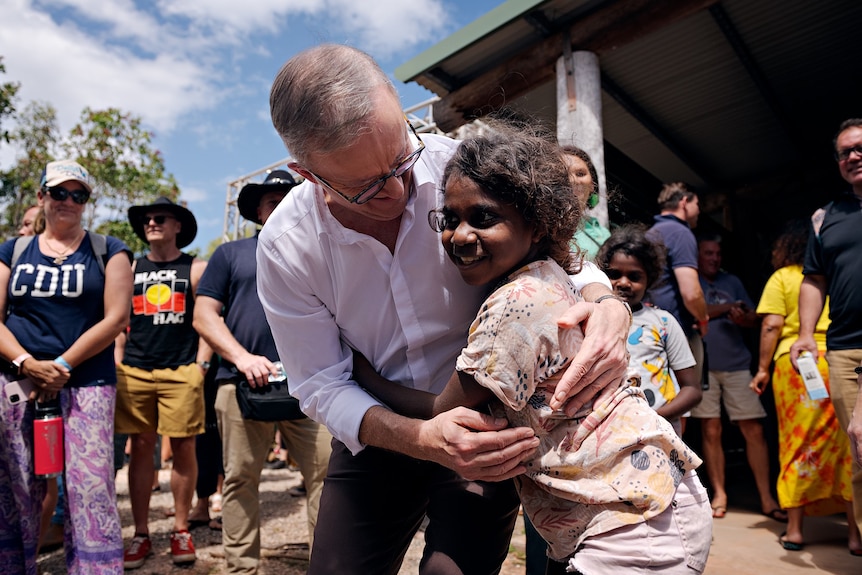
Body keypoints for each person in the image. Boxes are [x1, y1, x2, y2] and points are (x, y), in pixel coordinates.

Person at [258, 44, 633, 574]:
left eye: (400, 158)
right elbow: (319, 383)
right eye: (366, 186)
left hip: (488, 432)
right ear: (306, 173)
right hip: (376, 428)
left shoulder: (458, 166)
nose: (398, 189)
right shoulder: (285, 245)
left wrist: (605, 303)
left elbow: (550, 253)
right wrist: (417, 438)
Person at [354, 126, 711, 575]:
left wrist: (362, 375)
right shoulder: (551, 275)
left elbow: (444, 409)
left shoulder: (516, 303)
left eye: (483, 218)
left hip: (632, 525)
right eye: (450, 219)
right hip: (646, 503)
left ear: (539, 222)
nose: (460, 236)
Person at [193, 170, 332, 573]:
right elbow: (204, 315)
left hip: (316, 386)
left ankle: (328, 565)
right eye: (274, 202)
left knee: (330, 477)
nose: (285, 207)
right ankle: (242, 569)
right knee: (239, 480)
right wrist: (241, 358)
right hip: (241, 385)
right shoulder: (229, 254)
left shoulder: (324, 253)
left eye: (292, 198)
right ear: (257, 211)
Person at [0, 159, 133, 573]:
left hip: (87, 381)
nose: (68, 201)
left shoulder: (109, 250)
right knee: (16, 484)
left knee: (90, 486)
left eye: (79, 195)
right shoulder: (12, 250)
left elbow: (115, 318)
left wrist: (58, 365)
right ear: (41, 197)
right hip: (17, 380)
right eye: (59, 192)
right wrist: (26, 362)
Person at [750, 220, 860, 554]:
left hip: (797, 362)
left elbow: (771, 324)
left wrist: (762, 369)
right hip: (839, 359)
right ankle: (856, 535)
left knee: (797, 442)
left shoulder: (783, 277)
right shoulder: (836, 274)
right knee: (849, 444)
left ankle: (795, 530)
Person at [115, 196, 210, 568]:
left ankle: (181, 528)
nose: (151, 223)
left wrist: (201, 366)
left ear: (178, 227)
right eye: (147, 219)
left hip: (182, 370)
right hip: (136, 370)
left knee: (184, 449)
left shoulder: (196, 268)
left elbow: (207, 318)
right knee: (141, 449)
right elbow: (119, 320)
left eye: (160, 218)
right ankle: (141, 533)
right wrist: (119, 363)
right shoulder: (130, 267)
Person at [790, 117, 862, 545]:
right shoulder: (826, 217)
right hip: (845, 350)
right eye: (845, 152)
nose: (854, 156)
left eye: (860, 147)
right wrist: (804, 334)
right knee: (858, 447)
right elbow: (814, 279)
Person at [694, 235, 784, 521]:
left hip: (738, 365)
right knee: (711, 430)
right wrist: (726, 308)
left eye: (718, 253)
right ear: (698, 255)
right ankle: (719, 493)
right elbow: (693, 310)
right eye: (709, 252)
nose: (714, 258)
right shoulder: (689, 280)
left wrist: (742, 317)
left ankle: (767, 497)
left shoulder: (731, 280)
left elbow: (755, 316)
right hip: (703, 367)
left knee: (753, 429)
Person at [597, 224, 702, 436]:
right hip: (609, 432)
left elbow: (692, 390)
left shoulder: (663, 322)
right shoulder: (593, 319)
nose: (623, 283)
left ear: (649, 279)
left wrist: (655, 418)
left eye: (634, 277)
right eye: (614, 274)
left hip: (659, 433)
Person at [645, 182, 710, 393]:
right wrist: (702, 318)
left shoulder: (651, 233)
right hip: (675, 331)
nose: (699, 210)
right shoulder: (680, 232)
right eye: (697, 204)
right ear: (684, 202)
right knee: (683, 399)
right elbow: (691, 293)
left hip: (649, 329)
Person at [561, 145, 610, 260]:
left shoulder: (603, 235)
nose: (572, 180)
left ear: (593, 184)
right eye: (564, 174)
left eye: (580, 174)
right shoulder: (537, 224)